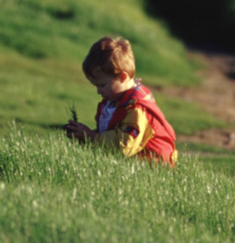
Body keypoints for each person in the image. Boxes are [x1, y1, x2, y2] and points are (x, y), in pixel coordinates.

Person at [66, 36, 178, 166]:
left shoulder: (136, 108)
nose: (98, 91)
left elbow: (125, 145)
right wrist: (84, 137)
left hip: (152, 164)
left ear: (122, 76)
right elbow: (110, 133)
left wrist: (92, 138)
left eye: (102, 85)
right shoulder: (115, 101)